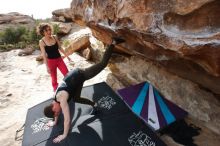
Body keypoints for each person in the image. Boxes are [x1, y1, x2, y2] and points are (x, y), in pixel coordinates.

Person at [43, 36, 125, 143]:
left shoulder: (61, 98)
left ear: (54, 108)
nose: (60, 113)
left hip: (81, 74)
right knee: (76, 99)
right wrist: (54, 122)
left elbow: (67, 120)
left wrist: (64, 135)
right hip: (74, 82)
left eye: (58, 113)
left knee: (102, 64)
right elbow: (56, 113)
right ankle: (94, 104)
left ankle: (113, 42)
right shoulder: (54, 102)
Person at [37, 23, 71, 91]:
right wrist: (47, 67)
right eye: (46, 30)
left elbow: (60, 47)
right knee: (54, 79)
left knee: (67, 74)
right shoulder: (41, 42)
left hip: (59, 59)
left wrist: (67, 56)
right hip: (51, 62)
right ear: (42, 32)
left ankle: (70, 87)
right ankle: (56, 91)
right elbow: (44, 55)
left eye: (49, 29)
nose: (49, 31)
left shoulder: (55, 37)